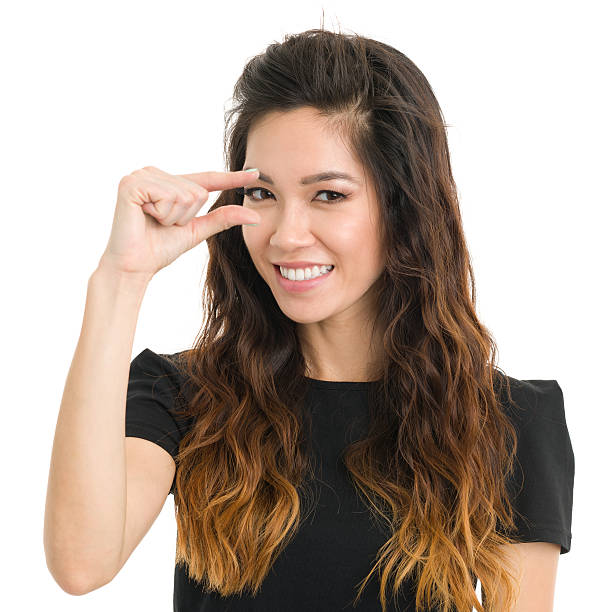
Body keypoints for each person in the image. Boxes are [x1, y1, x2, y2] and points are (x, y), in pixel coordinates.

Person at [44, 28, 574, 612]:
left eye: (327, 195)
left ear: (404, 207)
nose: (286, 235)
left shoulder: (510, 421)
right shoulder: (183, 397)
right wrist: (121, 280)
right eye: (263, 194)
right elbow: (80, 564)